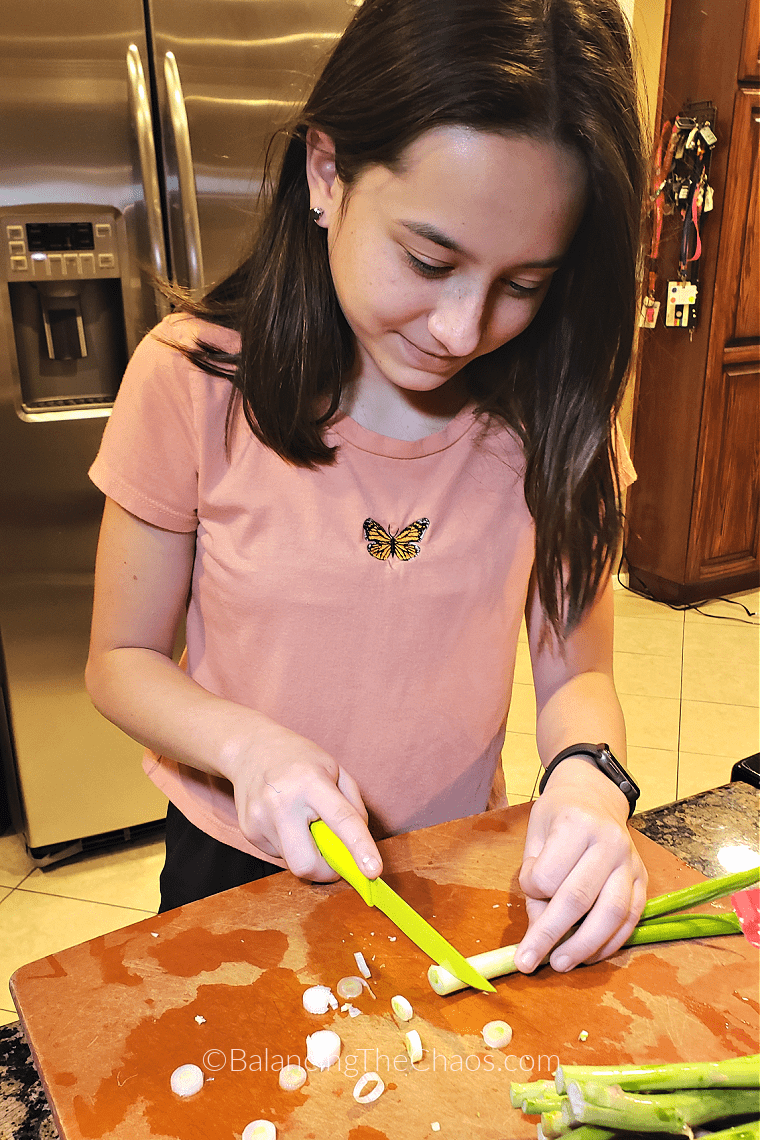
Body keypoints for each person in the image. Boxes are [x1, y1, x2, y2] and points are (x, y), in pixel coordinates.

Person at [85, 0, 649, 976]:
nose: (461, 329)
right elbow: (121, 658)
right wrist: (249, 750)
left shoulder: (559, 415)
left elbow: (578, 674)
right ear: (325, 172)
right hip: (236, 860)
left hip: (458, 858)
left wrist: (591, 781)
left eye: (524, 283)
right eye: (430, 260)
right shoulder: (189, 380)